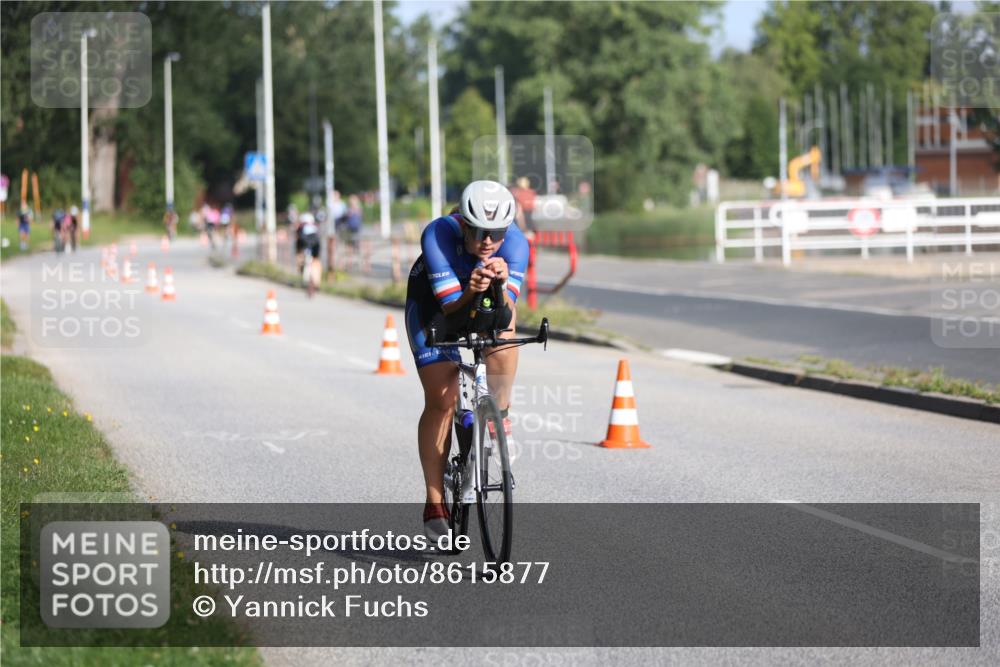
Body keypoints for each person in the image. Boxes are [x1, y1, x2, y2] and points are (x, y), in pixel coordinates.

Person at [403, 180, 528, 539]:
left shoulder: (517, 244)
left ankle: (499, 417)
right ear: (463, 222)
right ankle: (434, 500)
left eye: (497, 233)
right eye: (479, 231)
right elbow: (451, 312)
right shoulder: (439, 234)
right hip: (434, 308)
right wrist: (472, 287)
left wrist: (501, 287)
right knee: (442, 400)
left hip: (482, 306)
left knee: (506, 335)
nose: (488, 241)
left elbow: (504, 317)